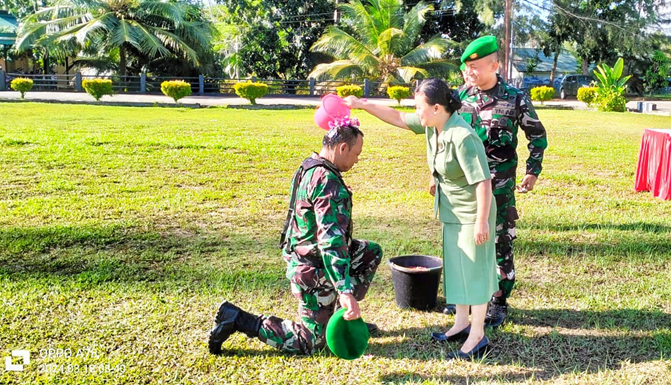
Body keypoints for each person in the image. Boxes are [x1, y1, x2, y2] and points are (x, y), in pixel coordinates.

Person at [343, 78, 497, 361]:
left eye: (419, 106)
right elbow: (398, 117)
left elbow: (483, 182)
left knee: (474, 270)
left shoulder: (463, 137)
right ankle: (461, 323)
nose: (416, 111)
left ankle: (477, 335)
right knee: (457, 265)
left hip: (474, 211)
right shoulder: (433, 126)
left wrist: (482, 221)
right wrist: (361, 105)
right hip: (452, 210)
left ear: (437, 107)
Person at [208, 123, 383, 355]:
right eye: (356, 154)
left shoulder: (310, 166)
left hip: (303, 253)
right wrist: (345, 291)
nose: (357, 160)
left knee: (369, 253)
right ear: (342, 148)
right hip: (310, 267)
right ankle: (238, 319)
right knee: (311, 343)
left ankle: (339, 317)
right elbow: (331, 241)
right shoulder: (327, 181)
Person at [448, 35, 549, 328]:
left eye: (475, 68)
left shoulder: (515, 98)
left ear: (495, 65)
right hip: (466, 184)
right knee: (465, 238)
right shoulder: (460, 97)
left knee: (500, 239)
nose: (470, 74)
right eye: (467, 69)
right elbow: (443, 134)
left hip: (499, 185)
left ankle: (498, 300)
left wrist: (532, 170)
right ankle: (465, 297)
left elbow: (537, 135)